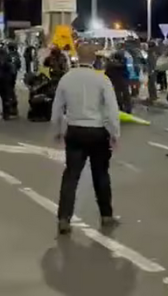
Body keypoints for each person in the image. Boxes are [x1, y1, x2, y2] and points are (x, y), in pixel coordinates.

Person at [51, 45, 121, 235]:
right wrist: (115, 134)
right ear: (94, 59)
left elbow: (57, 107)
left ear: (77, 57)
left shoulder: (66, 78)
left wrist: (57, 130)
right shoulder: (102, 79)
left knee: (71, 176)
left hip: (74, 131)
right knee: (101, 174)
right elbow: (112, 110)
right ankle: (106, 215)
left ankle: (64, 218)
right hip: (98, 132)